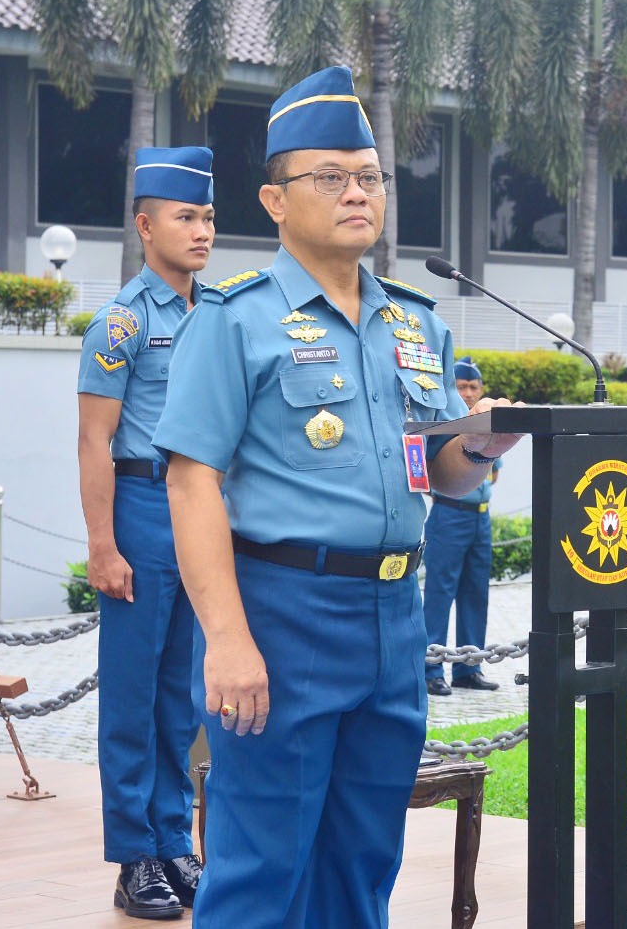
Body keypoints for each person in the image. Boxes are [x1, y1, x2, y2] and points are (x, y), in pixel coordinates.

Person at [152, 66, 521, 927]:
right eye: (329, 177)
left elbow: (441, 471)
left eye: (369, 177)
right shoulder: (234, 320)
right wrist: (228, 640)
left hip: (396, 614)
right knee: (260, 870)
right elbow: (190, 479)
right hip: (285, 612)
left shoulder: (415, 323)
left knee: (362, 864)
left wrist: (481, 440)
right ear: (275, 201)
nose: (356, 193)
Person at [76, 146, 214, 918]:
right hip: (141, 508)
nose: (201, 232)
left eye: (207, 218)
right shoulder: (120, 322)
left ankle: (172, 843)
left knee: (180, 693)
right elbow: (94, 440)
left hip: (203, 515)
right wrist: (103, 543)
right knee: (132, 694)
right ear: (145, 225)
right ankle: (134, 858)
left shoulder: (215, 312)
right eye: (185, 217)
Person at [423, 355, 504, 696]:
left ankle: (468, 667)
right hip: (449, 514)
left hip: (479, 517)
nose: (469, 393)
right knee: (440, 593)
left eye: (474, 387)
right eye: (461, 387)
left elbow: (494, 471)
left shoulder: (483, 422)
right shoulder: (447, 423)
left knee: (475, 592)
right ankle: (430, 669)